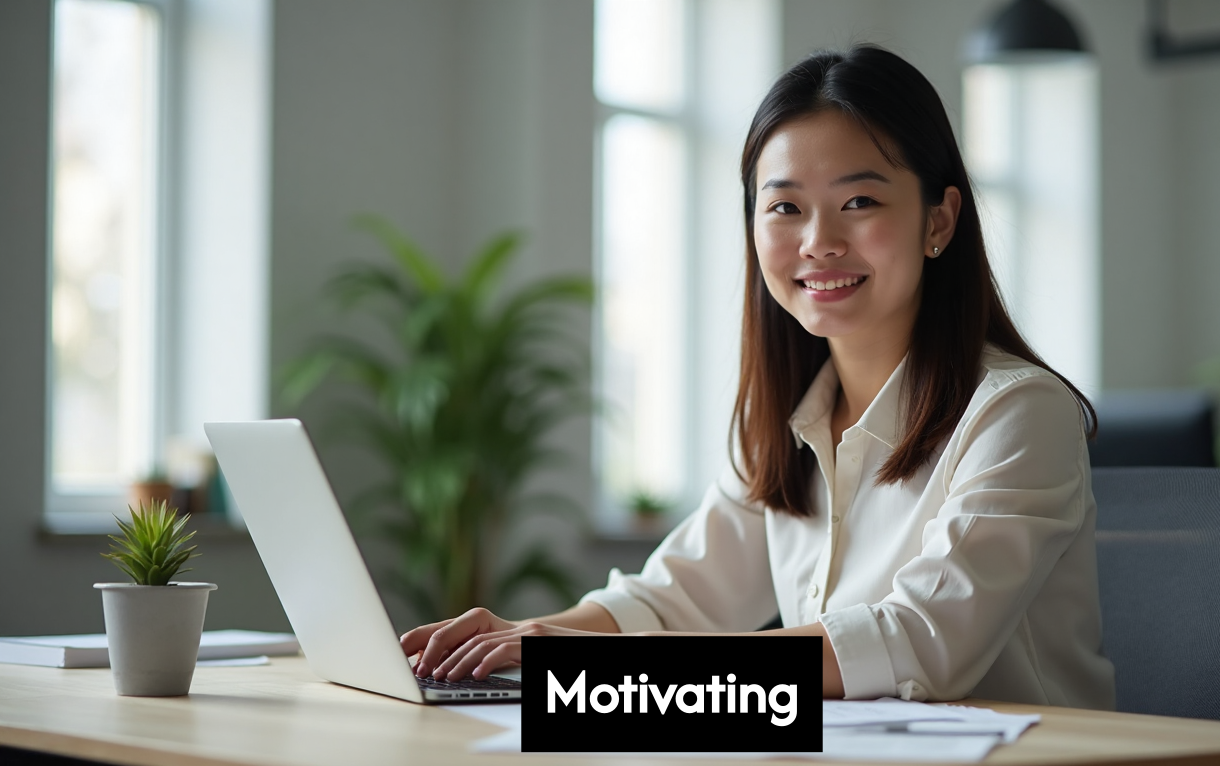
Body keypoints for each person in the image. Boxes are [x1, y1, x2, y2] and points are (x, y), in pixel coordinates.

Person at [400, 44, 1116, 709]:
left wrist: (622, 676)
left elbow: (917, 640)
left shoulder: (1019, 413)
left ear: (940, 218)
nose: (819, 242)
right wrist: (534, 637)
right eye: (784, 208)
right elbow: (678, 598)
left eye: (859, 202)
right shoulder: (787, 423)